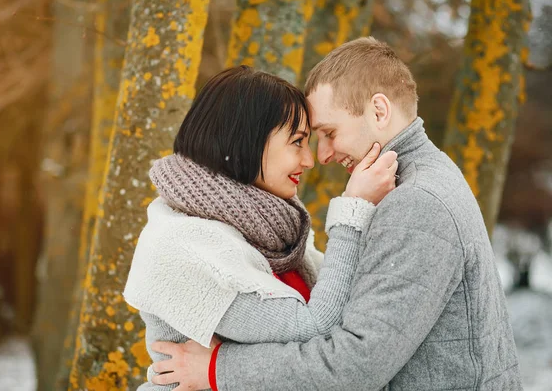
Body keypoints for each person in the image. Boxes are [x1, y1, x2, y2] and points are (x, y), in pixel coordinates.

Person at [149, 37, 523, 390]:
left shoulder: (414, 202)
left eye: (329, 132)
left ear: (378, 110)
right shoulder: (422, 179)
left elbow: (354, 362)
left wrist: (217, 369)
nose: (322, 156)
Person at [123, 65, 398, 390]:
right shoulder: (182, 246)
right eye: (297, 142)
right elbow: (315, 327)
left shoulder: (271, 232)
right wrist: (353, 211)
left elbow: (348, 305)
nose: (309, 161)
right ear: (245, 140)